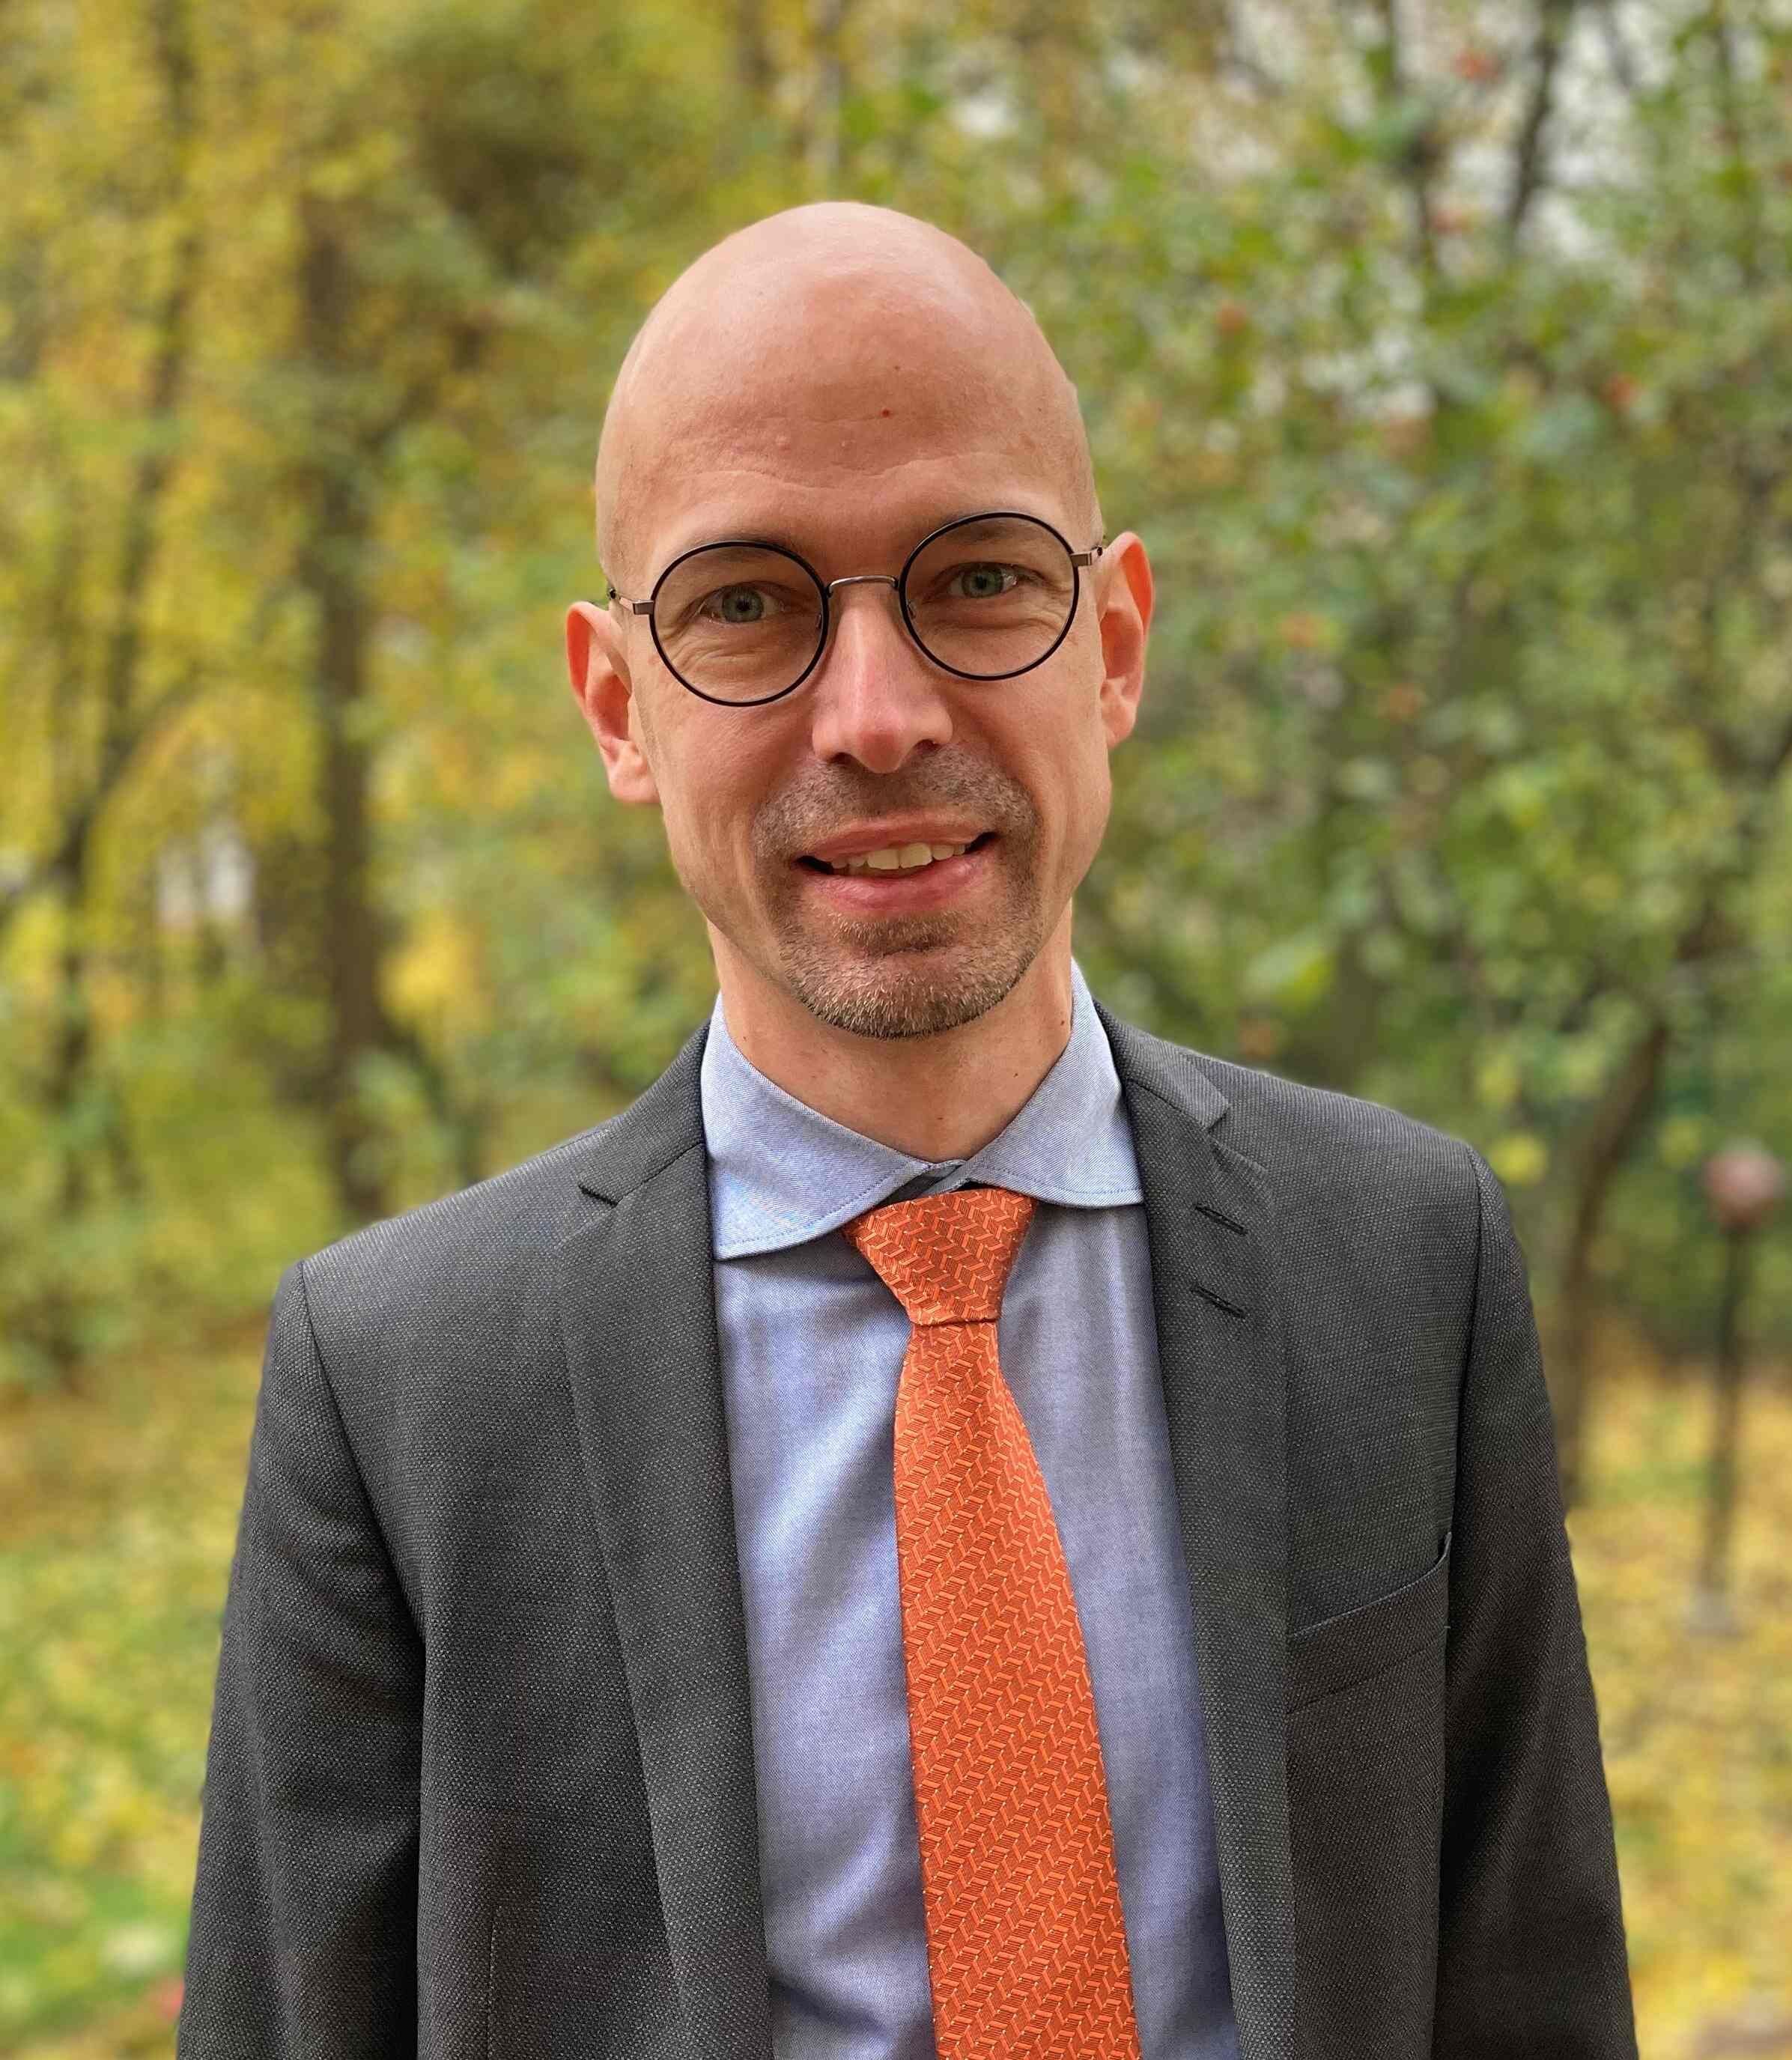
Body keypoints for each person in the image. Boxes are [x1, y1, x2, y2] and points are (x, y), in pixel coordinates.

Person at [179, 202, 1638, 2060]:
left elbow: (1531, 1996)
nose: (875, 718)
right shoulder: (401, 1383)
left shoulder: (1404, 1259)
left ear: (1115, 645)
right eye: (744, 604)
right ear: (617, 705)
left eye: (980, 579)